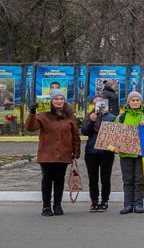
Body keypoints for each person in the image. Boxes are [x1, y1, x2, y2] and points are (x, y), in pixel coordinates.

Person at [26, 89, 79, 217]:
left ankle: (57, 205)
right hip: (47, 154)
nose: (59, 101)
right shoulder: (43, 115)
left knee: (60, 180)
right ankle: (46, 207)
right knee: (47, 180)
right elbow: (30, 127)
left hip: (64, 154)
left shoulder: (69, 116)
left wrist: (76, 151)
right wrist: (32, 113)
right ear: (51, 101)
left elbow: (75, 135)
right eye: (56, 99)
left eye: (61, 99)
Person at [115, 92, 144, 214]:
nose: (136, 102)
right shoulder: (121, 117)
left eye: (138, 100)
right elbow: (114, 136)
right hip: (125, 154)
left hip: (142, 153)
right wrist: (114, 147)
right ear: (128, 102)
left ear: (141, 102)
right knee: (127, 180)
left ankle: (138, 204)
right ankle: (127, 205)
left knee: (139, 180)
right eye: (133, 100)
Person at [80, 98, 116, 212]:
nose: (99, 104)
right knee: (93, 178)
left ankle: (105, 201)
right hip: (91, 152)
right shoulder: (89, 116)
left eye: (102, 103)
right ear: (93, 104)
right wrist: (91, 120)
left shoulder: (112, 118)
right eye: (96, 102)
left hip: (106, 152)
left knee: (105, 178)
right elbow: (84, 131)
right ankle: (94, 201)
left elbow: (116, 135)